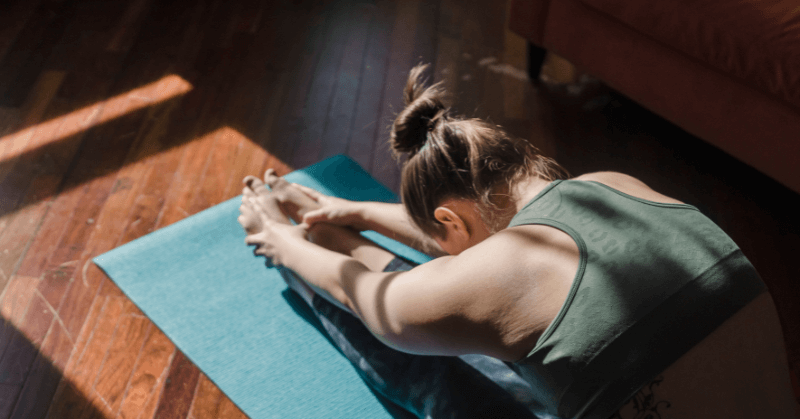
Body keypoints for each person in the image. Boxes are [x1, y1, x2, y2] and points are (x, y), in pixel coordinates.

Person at [238, 65, 800, 418]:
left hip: (424, 276)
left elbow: (377, 304)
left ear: (450, 222)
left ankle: (323, 242)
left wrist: (278, 239)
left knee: (443, 367)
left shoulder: (505, 273)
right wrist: (358, 211)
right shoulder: (612, 187)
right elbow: (484, 246)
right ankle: (338, 232)